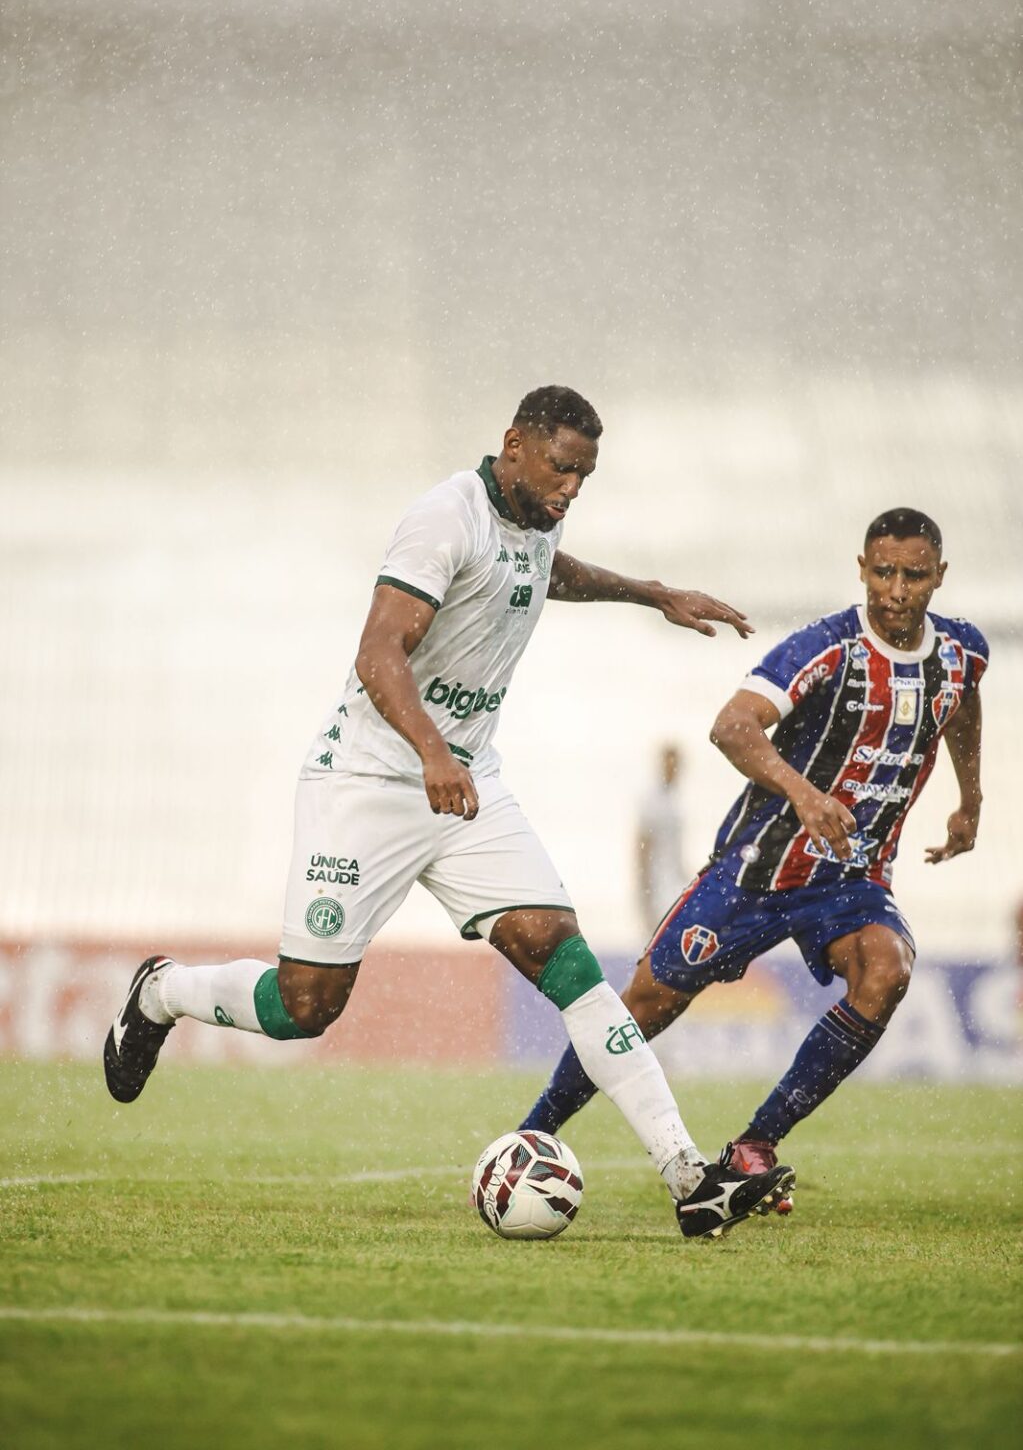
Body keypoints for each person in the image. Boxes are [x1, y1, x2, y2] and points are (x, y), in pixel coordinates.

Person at [104, 385, 795, 1238]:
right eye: (561, 469)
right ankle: (163, 992)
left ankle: (687, 1175)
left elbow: (551, 575)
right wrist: (430, 750)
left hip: (467, 783)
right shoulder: (445, 517)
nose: (572, 489)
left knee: (561, 955)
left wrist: (651, 593)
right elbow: (377, 649)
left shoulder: (537, 518)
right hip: (366, 781)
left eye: (584, 476)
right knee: (304, 1008)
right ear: (513, 443)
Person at [521, 507, 987, 1213]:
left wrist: (969, 799)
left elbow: (961, 703)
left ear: (938, 578)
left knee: (886, 965)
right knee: (645, 1005)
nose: (895, 590)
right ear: (860, 568)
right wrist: (802, 795)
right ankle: (532, 1136)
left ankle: (753, 1146)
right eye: (882, 572)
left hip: (850, 879)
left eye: (913, 575)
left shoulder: (960, 653)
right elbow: (730, 725)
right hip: (754, 874)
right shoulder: (823, 648)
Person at [637, 743, 686, 936]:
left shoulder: (674, 800)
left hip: (675, 883)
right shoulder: (653, 800)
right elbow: (642, 847)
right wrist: (645, 894)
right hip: (659, 887)